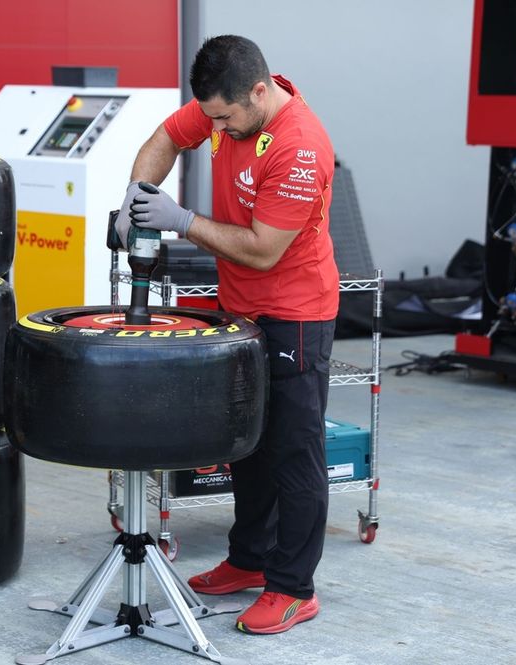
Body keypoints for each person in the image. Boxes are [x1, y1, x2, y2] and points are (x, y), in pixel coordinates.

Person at [116, 35, 339, 635]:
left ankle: (293, 587)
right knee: (249, 443)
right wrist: (135, 197)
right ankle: (249, 559)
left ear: (259, 92)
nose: (214, 126)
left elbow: (264, 251)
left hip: (295, 313)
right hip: (240, 308)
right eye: (209, 115)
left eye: (224, 116)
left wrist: (182, 221)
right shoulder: (225, 108)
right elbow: (164, 139)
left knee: (294, 452)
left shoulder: (298, 148)